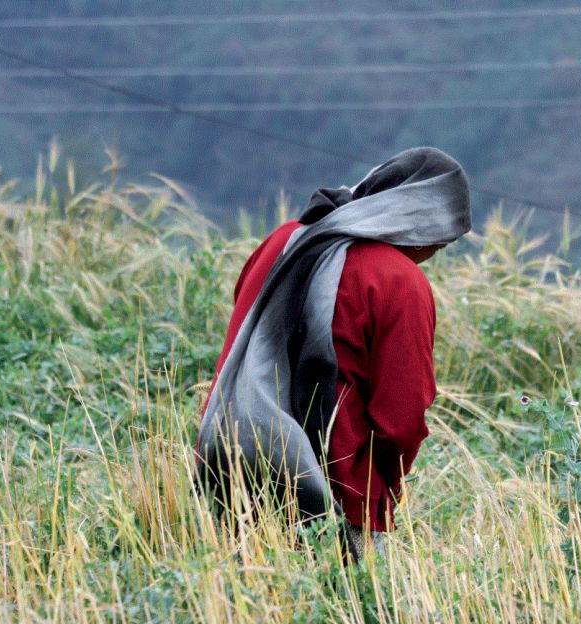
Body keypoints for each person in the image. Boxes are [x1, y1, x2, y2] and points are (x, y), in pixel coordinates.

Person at [196, 147, 471, 560]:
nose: (434, 251)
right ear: (422, 226)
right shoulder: (399, 281)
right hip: (334, 495)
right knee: (342, 619)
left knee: (239, 610)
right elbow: (401, 420)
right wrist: (378, 495)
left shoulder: (283, 241)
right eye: (442, 240)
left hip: (229, 464)